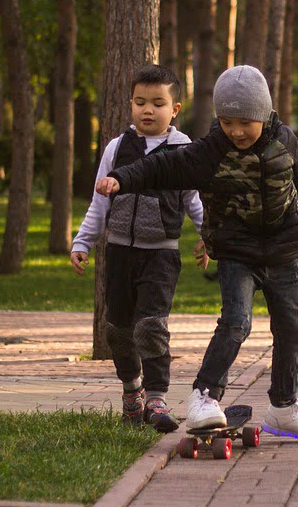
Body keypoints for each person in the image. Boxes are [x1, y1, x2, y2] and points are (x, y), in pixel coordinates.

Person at [96, 65, 298, 443]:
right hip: (237, 251)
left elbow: (297, 177)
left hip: (281, 253)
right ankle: (204, 396)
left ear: (264, 115)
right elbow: (164, 165)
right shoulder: (210, 152)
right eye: (227, 122)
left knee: (292, 327)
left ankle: (284, 406)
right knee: (237, 322)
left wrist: (297, 209)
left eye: (245, 123)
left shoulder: (285, 141)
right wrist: (122, 178)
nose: (236, 131)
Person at [71, 64, 207, 432]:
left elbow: (194, 201)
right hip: (118, 252)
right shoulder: (117, 147)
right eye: (140, 102)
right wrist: (83, 242)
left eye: (158, 104)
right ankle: (132, 391)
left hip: (161, 254)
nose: (148, 110)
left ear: (174, 109)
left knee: (150, 326)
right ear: (131, 104)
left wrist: (207, 236)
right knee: (117, 330)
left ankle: (157, 398)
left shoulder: (183, 150)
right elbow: (99, 202)